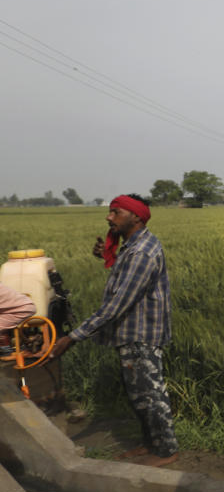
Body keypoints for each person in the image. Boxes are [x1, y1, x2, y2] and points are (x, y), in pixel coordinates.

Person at [49, 194, 179, 467]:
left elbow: (114, 306)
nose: (109, 217)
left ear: (136, 217)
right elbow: (126, 274)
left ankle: (166, 451)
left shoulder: (141, 252)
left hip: (141, 334)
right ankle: (150, 444)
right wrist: (107, 255)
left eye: (115, 212)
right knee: (139, 396)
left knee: (151, 396)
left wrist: (72, 338)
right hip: (132, 332)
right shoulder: (134, 247)